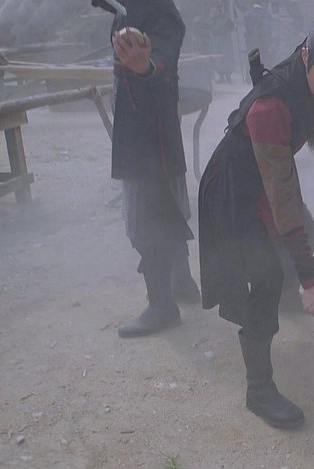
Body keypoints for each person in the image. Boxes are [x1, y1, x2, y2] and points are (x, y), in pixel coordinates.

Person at [198, 12, 314, 429]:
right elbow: (281, 198)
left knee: (311, 235)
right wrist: (312, 281)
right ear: (306, 55)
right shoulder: (270, 105)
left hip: (270, 178)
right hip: (235, 189)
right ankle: (259, 390)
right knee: (267, 276)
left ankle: (289, 297)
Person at [91, 0, 201, 338]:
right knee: (167, 206)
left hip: (150, 133)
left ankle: (161, 306)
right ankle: (182, 283)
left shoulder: (158, 8)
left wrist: (146, 66)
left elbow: (164, 57)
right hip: (141, 126)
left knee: (147, 219)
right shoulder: (125, 7)